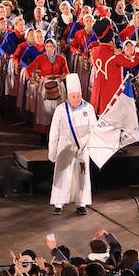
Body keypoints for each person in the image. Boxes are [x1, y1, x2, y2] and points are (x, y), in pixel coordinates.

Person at [48, 72, 96, 215]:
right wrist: (52, 151)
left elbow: (93, 129)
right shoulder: (61, 110)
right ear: (68, 96)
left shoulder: (89, 108)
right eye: (73, 96)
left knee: (81, 175)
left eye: (78, 96)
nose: (76, 99)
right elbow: (54, 132)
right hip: (64, 149)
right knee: (62, 175)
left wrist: (88, 147)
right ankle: (58, 203)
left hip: (82, 150)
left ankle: (81, 203)